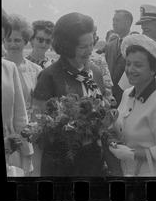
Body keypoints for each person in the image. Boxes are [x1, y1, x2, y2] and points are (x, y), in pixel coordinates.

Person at [32, 12, 107, 176]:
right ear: (66, 46)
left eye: (91, 45)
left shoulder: (95, 72)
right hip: (60, 167)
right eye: (82, 47)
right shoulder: (49, 76)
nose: (89, 52)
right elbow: (37, 131)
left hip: (93, 162)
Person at [109, 33, 156, 176]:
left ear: (153, 70)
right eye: (128, 64)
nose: (130, 69)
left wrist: (132, 153)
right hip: (127, 172)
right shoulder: (127, 94)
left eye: (138, 65)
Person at [1, 9, 34, 176]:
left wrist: (27, 154)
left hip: (9, 149)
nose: (11, 44)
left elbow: (21, 116)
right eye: (8, 39)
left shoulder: (9, 68)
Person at [3, 14, 42, 117]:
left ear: (25, 42)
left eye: (17, 40)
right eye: (8, 40)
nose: (12, 44)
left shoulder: (36, 70)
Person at [105, 10, 133, 106]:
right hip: (111, 99)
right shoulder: (110, 46)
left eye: (117, 20)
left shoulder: (135, 44)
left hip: (129, 99)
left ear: (128, 22)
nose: (114, 23)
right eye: (113, 20)